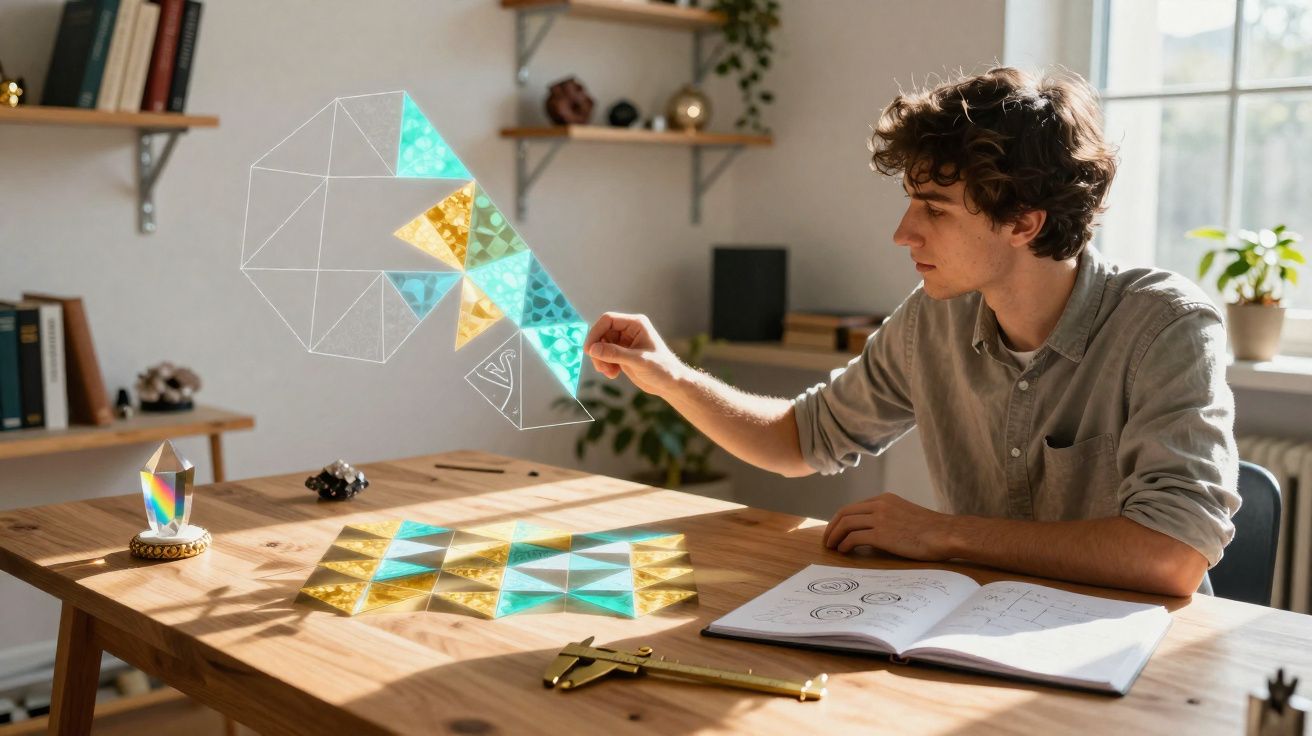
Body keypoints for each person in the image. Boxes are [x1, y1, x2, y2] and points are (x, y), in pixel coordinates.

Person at [582, 67, 1240, 598]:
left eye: (933, 209)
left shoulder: (1167, 328)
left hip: (1133, 664)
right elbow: (800, 439)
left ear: (1023, 224)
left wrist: (947, 535)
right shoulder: (935, 317)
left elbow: (1172, 556)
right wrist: (670, 376)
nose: (904, 233)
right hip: (978, 639)